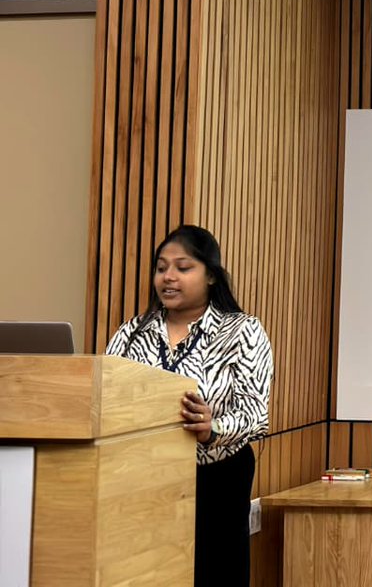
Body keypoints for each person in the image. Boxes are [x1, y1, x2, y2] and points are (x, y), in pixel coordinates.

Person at [107, 226, 274, 587]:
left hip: (217, 480)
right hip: (142, 481)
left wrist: (212, 429)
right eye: (161, 267)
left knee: (213, 575)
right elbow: (105, 397)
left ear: (211, 274)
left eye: (183, 267)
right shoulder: (131, 332)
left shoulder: (242, 332)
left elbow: (256, 416)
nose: (168, 277)